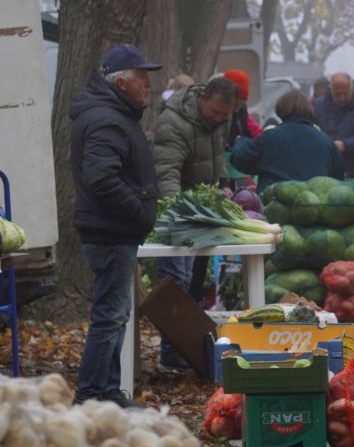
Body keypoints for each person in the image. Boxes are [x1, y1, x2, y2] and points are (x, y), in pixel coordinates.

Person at [68, 44, 163, 406]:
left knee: (116, 315)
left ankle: (108, 392)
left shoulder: (111, 113)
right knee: (110, 316)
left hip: (112, 230)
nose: (148, 85)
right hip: (110, 232)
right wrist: (138, 211)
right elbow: (101, 179)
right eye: (142, 78)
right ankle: (93, 395)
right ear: (122, 82)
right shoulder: (107, 119)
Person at [151, 75, 238, 366]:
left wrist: (223, 183)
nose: (219, 118)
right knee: (176, 281)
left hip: (203, 212)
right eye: (215, 112)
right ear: (202, 99)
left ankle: (188, 349)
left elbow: (218, 155)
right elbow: (167, 172)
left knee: (194, 283)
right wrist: (176, 211)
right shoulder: (172, 123)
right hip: (179, 214)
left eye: (224, 115)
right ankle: (171, 351)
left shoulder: (219, 119)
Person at [230, 89, 343, 190]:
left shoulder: (270, 137)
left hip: (274, 204)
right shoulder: (326, 142)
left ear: (281, 110)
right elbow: (338, 180)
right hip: (314, 204)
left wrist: (240, 141)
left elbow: (241, 159)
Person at [221, 69, 262, 152]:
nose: (237, 109)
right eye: (236, 104)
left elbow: (256, 133)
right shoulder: (216, 113)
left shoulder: (242, 113)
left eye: (241, 103)